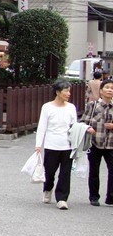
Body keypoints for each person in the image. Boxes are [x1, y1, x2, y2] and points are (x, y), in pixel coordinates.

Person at [35, 79, 77, 210]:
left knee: (65, 173)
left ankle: (62, 199)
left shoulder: (71, 107)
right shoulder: (47, 107)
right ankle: (47, 189)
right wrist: (38, 145)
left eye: (69, 91)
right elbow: (42, 127)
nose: (69, 93)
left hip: (67, 145)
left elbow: (74, 127)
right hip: (51, 144)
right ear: (58, 92)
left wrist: (76, 144)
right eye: (66, 91)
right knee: (50, 172)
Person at [79, 77, 113, 206]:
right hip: (94, 143)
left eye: (112, 88)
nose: (110, 90)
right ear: (101, 91)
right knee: (94, 171)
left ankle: (110, 197)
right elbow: (83, 122)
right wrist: (88, 128)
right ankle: (94, 196)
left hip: (110, 144)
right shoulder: (92, 106)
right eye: (107, 88)